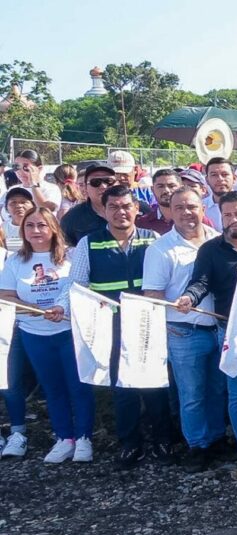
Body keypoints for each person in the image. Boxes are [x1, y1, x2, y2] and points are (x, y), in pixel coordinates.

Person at [50, 185, 171, 470]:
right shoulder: (89, 244)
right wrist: (60, 307)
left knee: (155, 386)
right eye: (113, 207)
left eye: (126, 206)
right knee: (122, 388)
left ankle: (164, 441)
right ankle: (130, 444)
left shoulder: (152, 240)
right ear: (104, 210)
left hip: (147, 325)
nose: (120, 212)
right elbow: (76, 285)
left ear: (136, 209)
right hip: (110, 326)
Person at [176, 191, 237, 479]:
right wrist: (189, 299)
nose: (233, 220)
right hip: (230, 333)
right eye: (228, 215)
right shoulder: (210, 250)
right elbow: (200, 282)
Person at [142, 187, 224, 473]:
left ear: (202, 208)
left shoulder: (217, 240)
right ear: (170, 212)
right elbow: (152, 294)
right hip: (183, 330)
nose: (187, 213)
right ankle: (198, 445)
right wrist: (175, 304)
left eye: (192, 206)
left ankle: (216, 439)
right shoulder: (161, 249)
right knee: (192, 393)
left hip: (218, 327)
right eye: (179, 208)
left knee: (217, 389)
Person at [0, 208, 91, 463]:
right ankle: (64, 438)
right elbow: (5, 295)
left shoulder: (71, 256)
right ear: (23, 230)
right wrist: (35, 310)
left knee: (79, 387)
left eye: (42, 225)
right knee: (53, 388)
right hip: (34, 333)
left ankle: (84, 438)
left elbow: (82, 287)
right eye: (30, 226)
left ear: (53, 228)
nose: (36, 231)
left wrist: (61, 308)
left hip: (69, 331)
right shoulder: (16, 261)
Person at [62, 163, 118, 247]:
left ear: (117, 184)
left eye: (109, 181)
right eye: (95, 182)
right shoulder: (72, 218)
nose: (103, 186)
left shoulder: (137, 211)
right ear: (85, 187)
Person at [135, 169, 182, 235]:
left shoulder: (191, 219)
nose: (166, 190)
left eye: (171, 186)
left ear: (181, 188)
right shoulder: (142, 224)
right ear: (152, 189)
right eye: (160, 186)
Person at [204, 158, 236, 228]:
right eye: (214, 175)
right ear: (207, 180)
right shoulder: (200, 208)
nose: (220, 179)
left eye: (224, 174)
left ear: (234, 178)